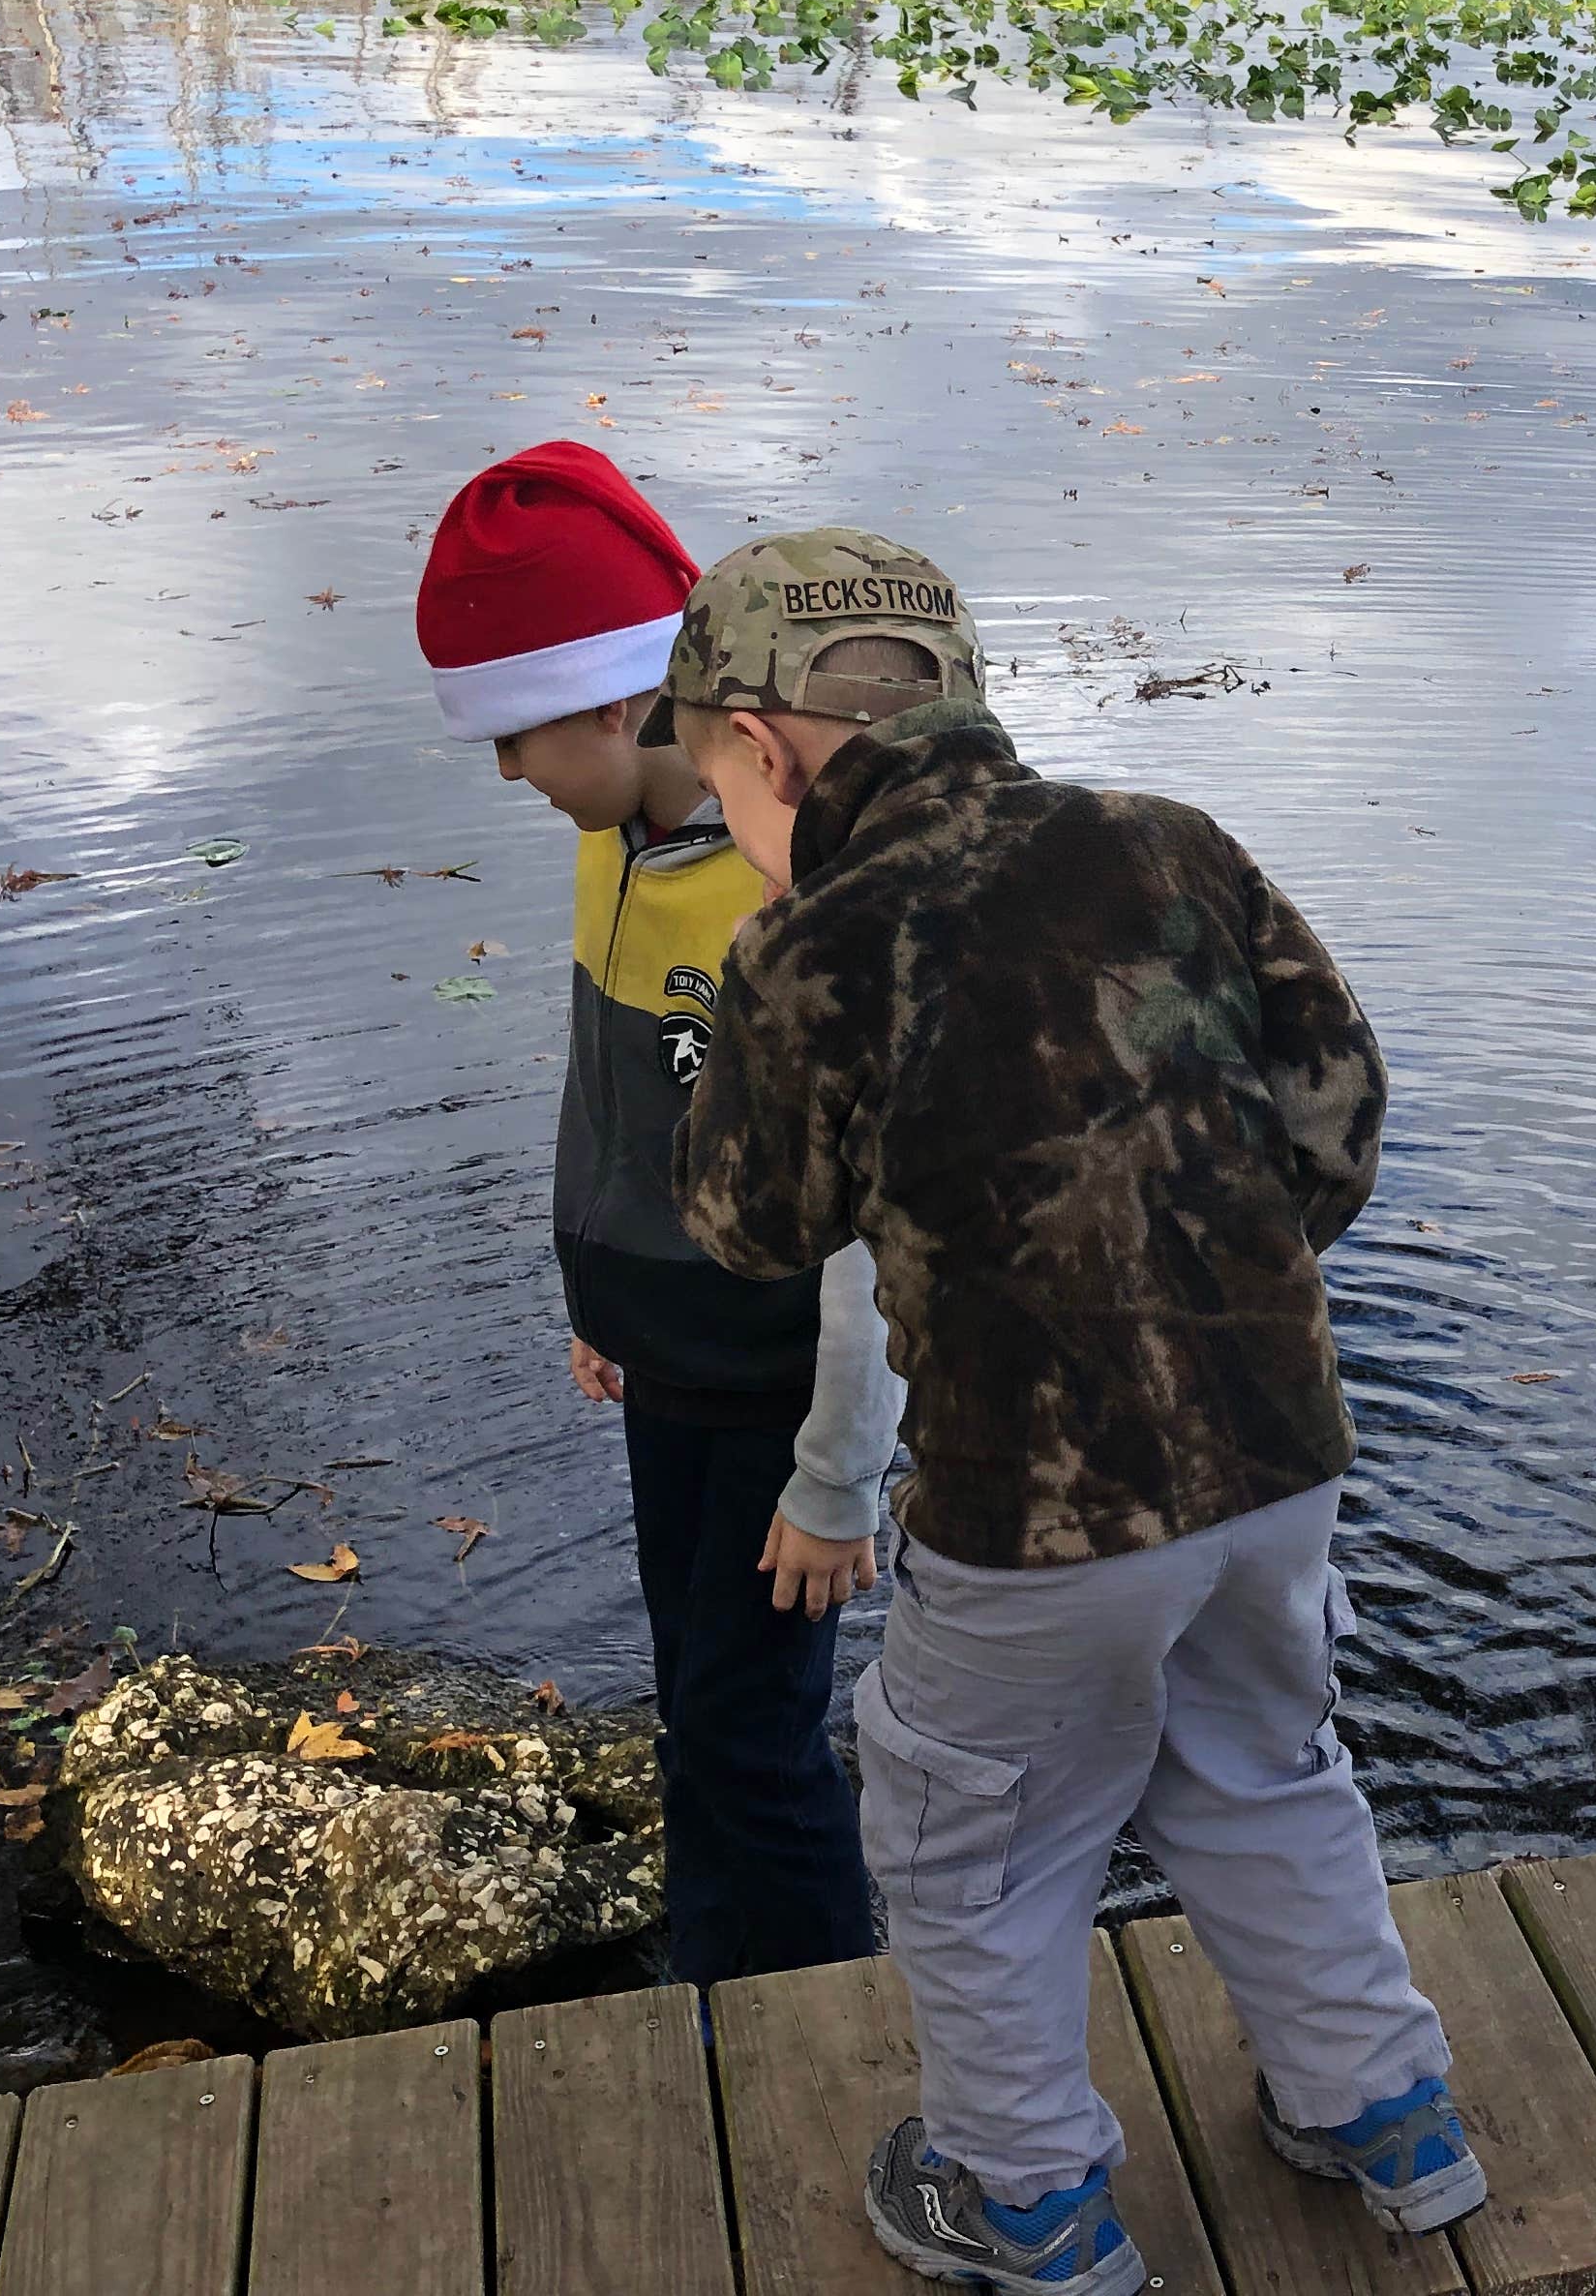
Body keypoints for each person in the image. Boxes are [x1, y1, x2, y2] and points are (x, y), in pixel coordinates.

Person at [655, 530, 1482, 2296]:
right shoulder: (1171, 841)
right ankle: (1386, 2110)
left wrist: (755, 997)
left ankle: (1023, 2197)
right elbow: (1338, 1116)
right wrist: (1211, 1288)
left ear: (761, 743)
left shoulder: (816, 940)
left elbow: (744, 1225)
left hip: (1033, 1511)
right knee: (1266, 1769)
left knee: (972, 1847)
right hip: (1279, 1454)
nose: (723, 810)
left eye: (716, 782)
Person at [411, 441, 891, 1993]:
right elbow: (616, 1103)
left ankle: (834, 2018)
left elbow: (870, 1229)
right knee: (694, 1702)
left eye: (516, 737)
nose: (509, 775)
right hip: (667, 1357)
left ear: (613, 708)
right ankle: (709, 1986)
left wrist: (837, 1477)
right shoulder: (607, 840)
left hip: (780, 1382)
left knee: (757, 1734)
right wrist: (599, 1301)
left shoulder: (788, 897)